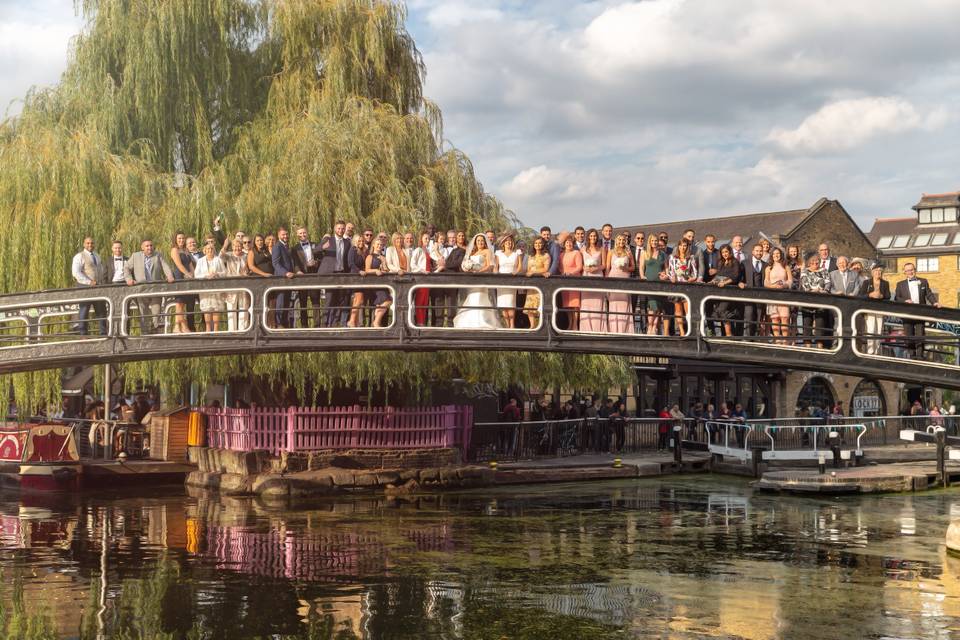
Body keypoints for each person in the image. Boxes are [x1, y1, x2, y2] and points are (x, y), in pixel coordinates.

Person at [124, 239, 174, 335]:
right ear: (142, 248)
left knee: (157, 310)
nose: (149, 247)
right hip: (141, 289)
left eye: (151, 245)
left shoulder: (158, 255)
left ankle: (155, 331)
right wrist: (129, 279)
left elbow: (165, 266)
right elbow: (126, 268)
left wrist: (169, 276)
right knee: (143, 312)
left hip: (155, 288)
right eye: (147, 246)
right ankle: (145, 333)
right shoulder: (135, 256)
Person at [894, 262, 941, 359]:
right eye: (907, 270)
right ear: (905, 272)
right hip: (907, 313)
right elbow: (896, 298)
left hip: (920, 313)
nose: (910, 272)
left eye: (911, 270)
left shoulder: (923, 281)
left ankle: (920, 356)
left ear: (915, 270)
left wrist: (935, 302)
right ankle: (912, 356)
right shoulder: (900, 284)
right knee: (909, 335)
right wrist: (905, 301)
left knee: (920, 334)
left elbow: (929, 294)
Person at [454, 234, 500, 329]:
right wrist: (468, 268)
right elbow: (467, 264)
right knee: (472, 297)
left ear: (485, 242)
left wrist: (479, 271)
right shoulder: (473, 253)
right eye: (478, 241)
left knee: (480, 297)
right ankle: (470, 321)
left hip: (482, 278)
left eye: (482, 240)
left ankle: (481, 322)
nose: (480, 242)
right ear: (475, 242)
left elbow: (490, 266)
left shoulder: (487, 251)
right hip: (472, 279)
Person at [71, 237, 109, 336]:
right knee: (84, 310)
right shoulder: (79, 256)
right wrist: (89, 282)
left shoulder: (97, 255)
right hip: (84, 287)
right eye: (88, 243)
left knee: (101, 310)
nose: (90, 245)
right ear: (84, 244)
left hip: (98, 287)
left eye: (92, 243)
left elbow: (100, 270)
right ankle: (83, 333)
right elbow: (76, 273)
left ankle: (103, 333)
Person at [319, 220, 352, 327]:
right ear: (335, 229)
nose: (341, 230)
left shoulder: (347, 242)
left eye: (343, 228)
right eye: (339, 228)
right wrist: (322, 247)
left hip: (342, 274)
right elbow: (314, 251)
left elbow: (347, 259)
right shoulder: (328, 239)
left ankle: (334, 323)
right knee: (329, 299)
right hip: (330, 274)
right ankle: (324, 323)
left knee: (339, 300)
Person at [410, 230, 444, 325]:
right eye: (425, 238)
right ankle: (419, 322)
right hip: (421, 278)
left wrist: (437, 268)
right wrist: (421, 271)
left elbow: (430, 266)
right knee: (420, 301)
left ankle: (423, 322)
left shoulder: (427, 251)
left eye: (429, 239)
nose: (427, 240)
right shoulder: (418, 250)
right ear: (421, 239)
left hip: (427, 279)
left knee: (425, 302)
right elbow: (412, 264)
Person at [292, 225, 322, 328]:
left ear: (307, 233)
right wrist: (298, 271)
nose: (302, 235)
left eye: (304, 232)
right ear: (297, 235)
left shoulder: (315, 245)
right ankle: (304, 326)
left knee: (315, 301)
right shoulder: (295, 248)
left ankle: (317, 325)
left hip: (313, 275)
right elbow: (295, 263)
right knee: (303, 301)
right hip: (302, 276)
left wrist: (316, 263)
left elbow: (320, 258)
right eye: (300, 233)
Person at [710, 245, 743, 337]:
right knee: (723, 312)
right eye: (723, 252)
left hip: (730, 291)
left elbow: (736, 276)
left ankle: (729, 334)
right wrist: (713, 280)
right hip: (720, 291)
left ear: (730, 252)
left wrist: (725, 283)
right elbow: (718, 275)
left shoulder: (735, 262)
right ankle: (727, 334)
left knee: (722, 310)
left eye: (726, 252)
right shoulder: (720, 262)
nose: (725, 254)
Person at [858, 262, 891, 355]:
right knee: (871, 330)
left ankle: (876, 352)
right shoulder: (866, 282)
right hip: (869, 310)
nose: (878, 272)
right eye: (876, 271)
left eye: (880, 271)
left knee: (879, 331)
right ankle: (870, 351)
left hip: (880, 310)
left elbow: (888, 296)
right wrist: (870, 295)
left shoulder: (885, 283)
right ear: (872, 272)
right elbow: (861, 296)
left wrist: (881, 296)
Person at [799, 253, 831, 348]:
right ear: (809, 262)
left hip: (821, 300)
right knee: (807, 323)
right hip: (808, 300)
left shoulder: (824, 271)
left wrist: (823, 291)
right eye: (812, 261)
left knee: (820, 323)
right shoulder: (805, 271)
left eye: (817, 261)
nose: (815, 262)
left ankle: (820, 345)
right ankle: (807, 345)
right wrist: (813, 291)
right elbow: (805, 284)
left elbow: (828, 283)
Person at [193, 241, 226, 332]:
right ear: (204, 250)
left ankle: (215, 329)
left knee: (216, 308)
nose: (210, 250)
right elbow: (196, 275)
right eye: (208, 249)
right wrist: (205, 276)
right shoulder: (200, 261)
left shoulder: (218, 259)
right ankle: (208, 329)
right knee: (207, 308)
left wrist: (217, 274)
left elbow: (224, 273)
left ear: (214, 250)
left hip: (216, 288)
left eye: (211, 249)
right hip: (205, 289)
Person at [605, 234, 634, 334]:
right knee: (613, 304)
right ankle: (613, 330)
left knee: (624, 305)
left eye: (623, 240)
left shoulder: (628, 252)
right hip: (613, 278)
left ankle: (624, 330)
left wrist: (626, 268)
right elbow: (608, 268)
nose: (621, 241)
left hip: (625, 278)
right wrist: (606, 282)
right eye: (619, 239)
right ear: (616, 241)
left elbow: (633, 267)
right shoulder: (610, 252)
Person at [666, 240, 697, 335]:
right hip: (676, 286)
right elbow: (670, 271)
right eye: (681, 246)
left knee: (688, 310)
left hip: (687, 286)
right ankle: (681, 331)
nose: (683, 248)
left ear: (687, 247)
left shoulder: (691, 258)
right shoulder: (672, 257)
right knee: (678, 310)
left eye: (685, 246)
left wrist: (692, 278)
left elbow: (695, 273)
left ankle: (689, 330)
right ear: (678, 246)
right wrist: (672, 277)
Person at [763, 247, 793, 345]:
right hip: (772, 296)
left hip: (784, 296)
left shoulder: (786, 266)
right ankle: (777, 339)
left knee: (785, 317)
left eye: (778, 253)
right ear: (771, 255)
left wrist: (784, 285)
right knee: (774, 318)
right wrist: (773, 286)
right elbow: (766, 282)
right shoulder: (768, 268)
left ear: (781, 255)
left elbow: (790, 281)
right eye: (774, 254)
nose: (776, 255)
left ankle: (785, 339)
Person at [639, 234, 667, 335]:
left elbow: (666, 268)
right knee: (652, 305)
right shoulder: (644, 252)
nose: (654, 242)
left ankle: (654, 326)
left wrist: (665, 274)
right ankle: (649, 326)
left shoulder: (662, 254)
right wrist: (642, 276)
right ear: (649, 242)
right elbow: (641, 266)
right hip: (649, 280)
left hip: (659, 281)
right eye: (652, 241)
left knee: (658, 306)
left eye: (656, 241)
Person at [220, 237, 250, 331]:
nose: (237, 248)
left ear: (242, 246)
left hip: (243, 286)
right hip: (231, 285)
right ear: (232, 247)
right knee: (231, 308)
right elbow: (220, 257)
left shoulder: (246, 256)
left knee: (244, 307)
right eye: (235, 246)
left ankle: (243, 330)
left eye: (239, 246)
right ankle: (232, 331)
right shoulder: (228, 255)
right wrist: (225, 245)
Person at [167, 231, 195, 334]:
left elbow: (190, 264)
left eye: (183, 238)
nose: (181, 240)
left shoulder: (186, 250)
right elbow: (179, 265)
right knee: (179, 303)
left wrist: (192, 274)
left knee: (182, 304)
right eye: (179, 238)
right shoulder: (174, 250)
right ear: (176, 239)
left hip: (188, 277)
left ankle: (176, 327)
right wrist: (187, 274)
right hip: (179, 276)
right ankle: (183, 325)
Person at [579, 229, 606, 332]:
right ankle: (586, 328)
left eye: (595, 236)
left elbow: (604, 265)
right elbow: (580, 263)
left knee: (598, 303)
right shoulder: (583, 249)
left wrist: (597, 268)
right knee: (586, 303)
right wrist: (584, 268)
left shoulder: (602, 249)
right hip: (586, 276)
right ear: (588, 237)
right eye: (591, 236)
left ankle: (598, 328)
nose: (593, 238)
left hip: (597, 276)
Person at [362, 237, 393, 327]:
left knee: (386, 302)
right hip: (374, 283)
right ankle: (376, 321)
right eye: (378, 244)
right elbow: (367, 269)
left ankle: (376, 321)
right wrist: (375, 270)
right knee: (388, 300)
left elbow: (387, 270)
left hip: (383, 283)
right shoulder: (370, 256)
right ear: (374, 245)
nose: (379, 246)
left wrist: (383, 263)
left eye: (381, 245)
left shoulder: (383, 257)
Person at [271, 227, 297, 328]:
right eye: (283, 234)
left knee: (287, 301)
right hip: (281, 278)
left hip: (289, 279)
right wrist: (285, 273)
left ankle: (285, 323)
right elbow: (275, 263)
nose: (285, 236)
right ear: (278, 235)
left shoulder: (287, 246)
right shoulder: (277, 246)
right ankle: (279, 323)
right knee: (280, 302)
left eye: (286, 234)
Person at [739, 243, 766, 337]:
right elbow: (739, 278)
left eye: (761, 251)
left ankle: (756, 339)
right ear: (753, 251)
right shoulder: (744, 263)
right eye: (757, 251)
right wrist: (740, 282)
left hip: (761, 297)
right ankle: (748, 339)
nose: (759, 253)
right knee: (749, 317)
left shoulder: (765, 265)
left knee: (759, 319)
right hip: (748, 296)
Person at [523, 236, 551, 326]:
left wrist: (534, 271)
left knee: (540, 305)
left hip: (541, 283)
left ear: (543, 244)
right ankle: (532, 326)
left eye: (539, 243)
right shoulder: (531, 256)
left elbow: (545, 269)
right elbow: (528, 270)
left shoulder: (546, 255)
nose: (537, 245)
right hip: (532, 284)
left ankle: (540, 325)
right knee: (529, 305)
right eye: (536, 243)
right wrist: (530, 272)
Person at [495, 236, 522, 328]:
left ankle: (512, 324)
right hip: (501, 280)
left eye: (510, 242)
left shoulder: (516, 253)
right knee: (503, 304)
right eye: (506, 242)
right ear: (503, 243)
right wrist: (496, 274)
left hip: (511, 280)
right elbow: (496, 266)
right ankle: (507, 325)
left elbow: (519, 267)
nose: (508, 243)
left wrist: (515, 272)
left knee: (510, 303)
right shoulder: (498, 253)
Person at [559, 234, 583, 330]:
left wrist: (570, 273)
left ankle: (575, 324)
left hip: (574, 280)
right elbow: (560, 267)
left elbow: (579, 267)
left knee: (575, 305)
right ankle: (570, 323)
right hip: (565, 281)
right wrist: (563, 273)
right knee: (567, 305)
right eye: (567, 242)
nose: (569, 244)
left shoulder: (576, 253)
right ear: (564, 244)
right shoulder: (561, 254)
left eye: (570, 242)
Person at [347, 234, 370, 327]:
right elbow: (350, 263)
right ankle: (352, 320)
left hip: (362, 277)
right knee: (359, 298)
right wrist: (359, 271)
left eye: (362, 241)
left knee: (359, 299)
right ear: (355, 242)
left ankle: (354, 321)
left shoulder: (364, 251)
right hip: (355, 276)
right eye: (359, 241)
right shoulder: (353, 250)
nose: (361, 242)